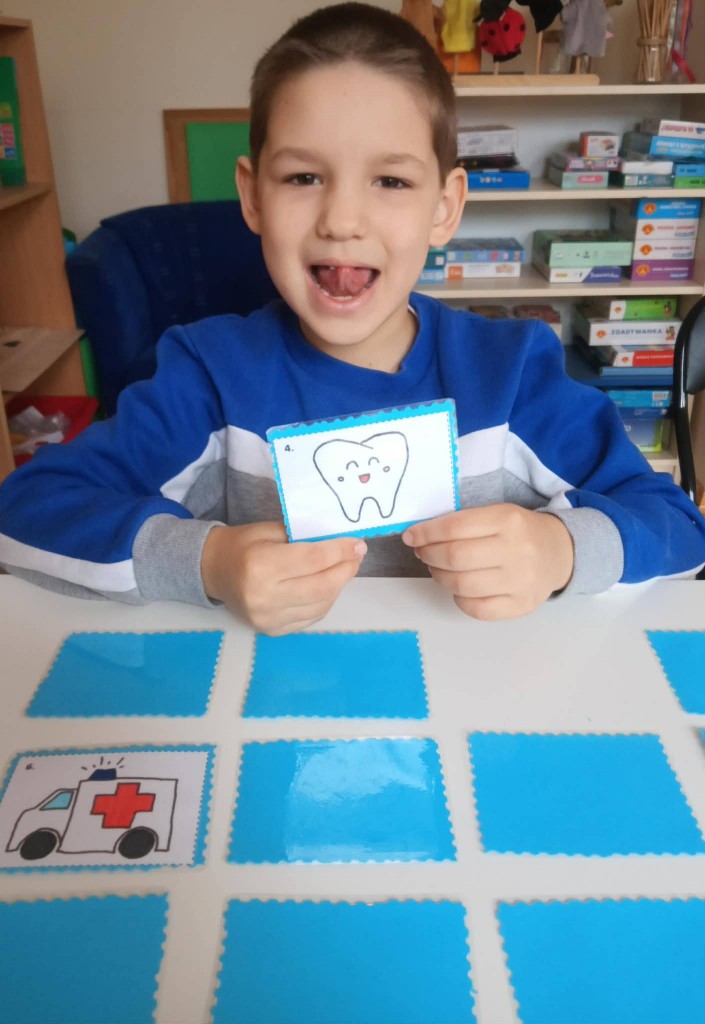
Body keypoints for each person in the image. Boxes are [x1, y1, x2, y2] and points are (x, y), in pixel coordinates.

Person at [0, 2, 704, 635]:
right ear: (253, 196)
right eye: (303, 177)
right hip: (273, 710)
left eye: (390, 180)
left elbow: (678, 526)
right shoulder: (209, 374)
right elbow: (25, 510)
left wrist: (559, 550)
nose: (341, 220)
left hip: (475, 709)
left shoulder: (511, 372)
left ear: (444, 207)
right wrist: (209, 561)